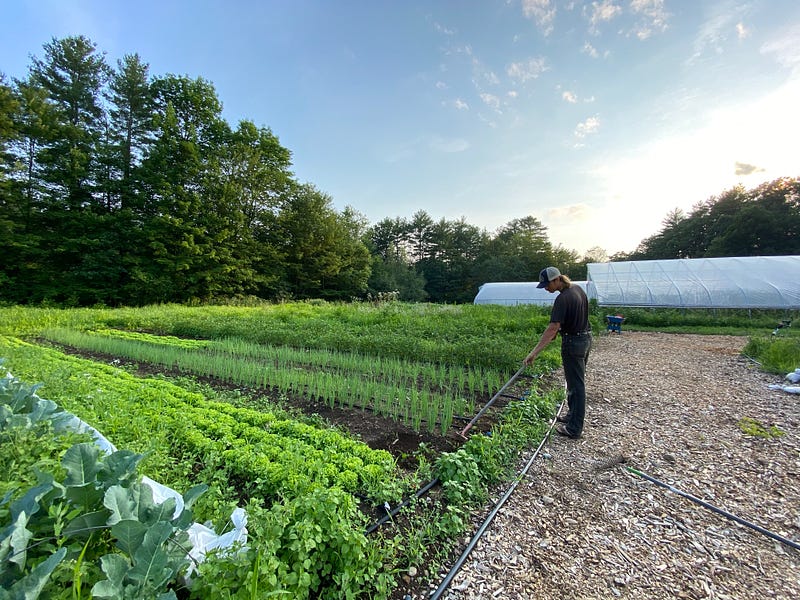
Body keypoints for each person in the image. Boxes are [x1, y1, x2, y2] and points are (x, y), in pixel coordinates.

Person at [523, 266, 592, 439]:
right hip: (585, 339)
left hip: (573, 343)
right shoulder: (577, 289)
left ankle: (574, 428)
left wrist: (534, 352)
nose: (546, 288)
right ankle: (571, 416)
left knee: (577, 385)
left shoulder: (563, 299)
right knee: (574, 382)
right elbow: (574, 317)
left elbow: (553, 327)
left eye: (547, 284)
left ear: (557, 280)